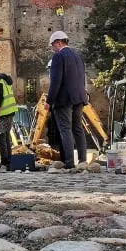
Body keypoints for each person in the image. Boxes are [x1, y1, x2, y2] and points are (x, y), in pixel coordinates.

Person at [45, 31, 87, 169]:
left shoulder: (59, 56)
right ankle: (82, 161)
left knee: (65, 129)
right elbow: (82, 79)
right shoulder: (78, 56)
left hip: (64, 99)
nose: (53, 48)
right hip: (79, 98)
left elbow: (55, 81)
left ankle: (69, 163)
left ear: (58, 43)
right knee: (78, 129)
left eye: (53, 45)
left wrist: (49, 101)